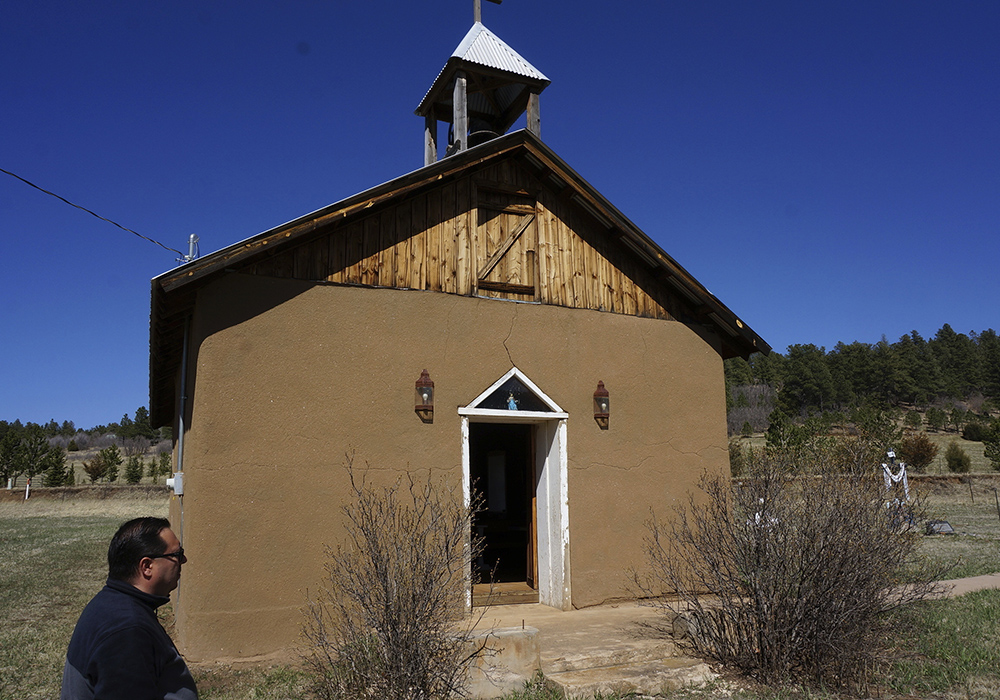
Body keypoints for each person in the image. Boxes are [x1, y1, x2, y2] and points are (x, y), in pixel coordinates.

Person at [61, 517, 198, 700]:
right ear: (147, 566)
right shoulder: (127, 631)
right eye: (177, 555)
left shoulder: (111, 602)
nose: (184, 560)